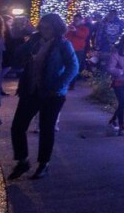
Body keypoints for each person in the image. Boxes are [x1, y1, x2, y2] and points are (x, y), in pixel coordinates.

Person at [8, 13, 78, 181]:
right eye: (42, 26)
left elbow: (73, 67)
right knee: (17, 127)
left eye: (48, 27)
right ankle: (22, 160)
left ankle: (43, 164)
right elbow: (17, 57)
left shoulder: (63, 45)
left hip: (51, 94)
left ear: (56, 28)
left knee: (46, 129)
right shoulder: (34, 41)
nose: (44, 30)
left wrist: (59, 85)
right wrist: (29, 43)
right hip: (31, 90)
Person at [65, 17, 91, 89]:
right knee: (67, 65)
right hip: (69, 49)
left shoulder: (85, 28)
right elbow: (65, 36)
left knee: (75, 66)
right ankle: (66, 82)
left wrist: (75, 31)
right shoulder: (70, 27)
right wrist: (67, 30)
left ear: (81, 20)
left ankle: (72, 84)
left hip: (78, 50)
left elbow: (84, 36)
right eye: (74, 20)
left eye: (77, 20)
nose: (75, 21)